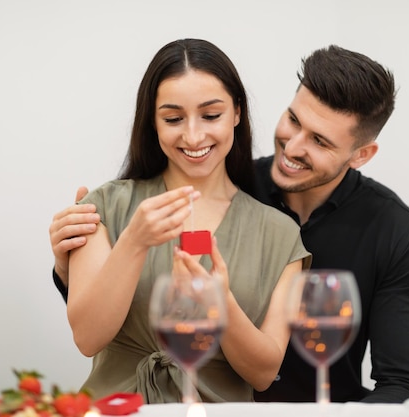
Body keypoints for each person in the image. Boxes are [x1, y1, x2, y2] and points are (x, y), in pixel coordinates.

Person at [49, 44, 409, 404]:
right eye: (293, 120)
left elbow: (401, 382)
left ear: (360, 154)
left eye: (319, 140)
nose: (293, 147)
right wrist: (68, 269)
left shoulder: (394, 230)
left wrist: (221, 302)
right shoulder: (200, 177)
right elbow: (100, 326)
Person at [61, 38, 310, 404]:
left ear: (237, 113)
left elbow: (263, 373)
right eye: (173, 119)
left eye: (211, 116)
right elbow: (87, 338)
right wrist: (134, 242)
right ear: (153, 122)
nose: (193, 136)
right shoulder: (103, 206)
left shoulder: (281, 234)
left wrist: (220, 302)